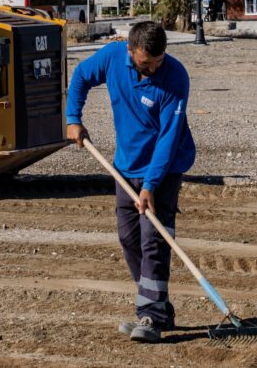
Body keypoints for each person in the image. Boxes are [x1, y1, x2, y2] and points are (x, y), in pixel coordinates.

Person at [65, 21, 196, 343]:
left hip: (164, 168)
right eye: (145, 63)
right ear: (130, 51)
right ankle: (157, 306)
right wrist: (73, 119)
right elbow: (81, 77)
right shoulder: (111, 57)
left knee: (154, 239)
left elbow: (168, 138)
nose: (152, 68)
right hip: (126, 165)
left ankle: (151, 314)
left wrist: (150, 185)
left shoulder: (175, 77)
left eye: (158, 61)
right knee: (129, 238)